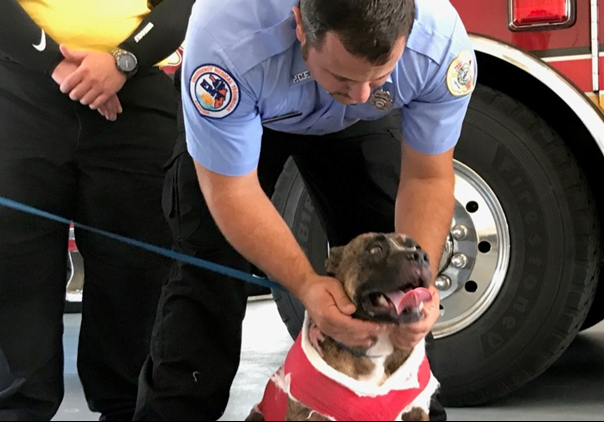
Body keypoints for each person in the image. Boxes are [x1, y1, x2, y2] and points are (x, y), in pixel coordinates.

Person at [134, 0, 477, 420]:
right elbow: (231, 191)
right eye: (344, 75)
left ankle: (417, 408)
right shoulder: (228, 35)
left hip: (355, 126)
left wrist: (416, 289)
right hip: (250, 108)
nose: (361, 93)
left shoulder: (439, 45)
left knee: (390, 271)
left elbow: (427, 177)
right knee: (206, 267)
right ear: (300, 26)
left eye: (381, 75)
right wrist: (306, 285)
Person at [0, 0, 193, 420]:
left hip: (134, 89)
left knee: (136, 273)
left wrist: (122, 62)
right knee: (15, 268)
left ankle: (128, 406)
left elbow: (183, 5)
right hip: (18, 84)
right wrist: (57, 64)